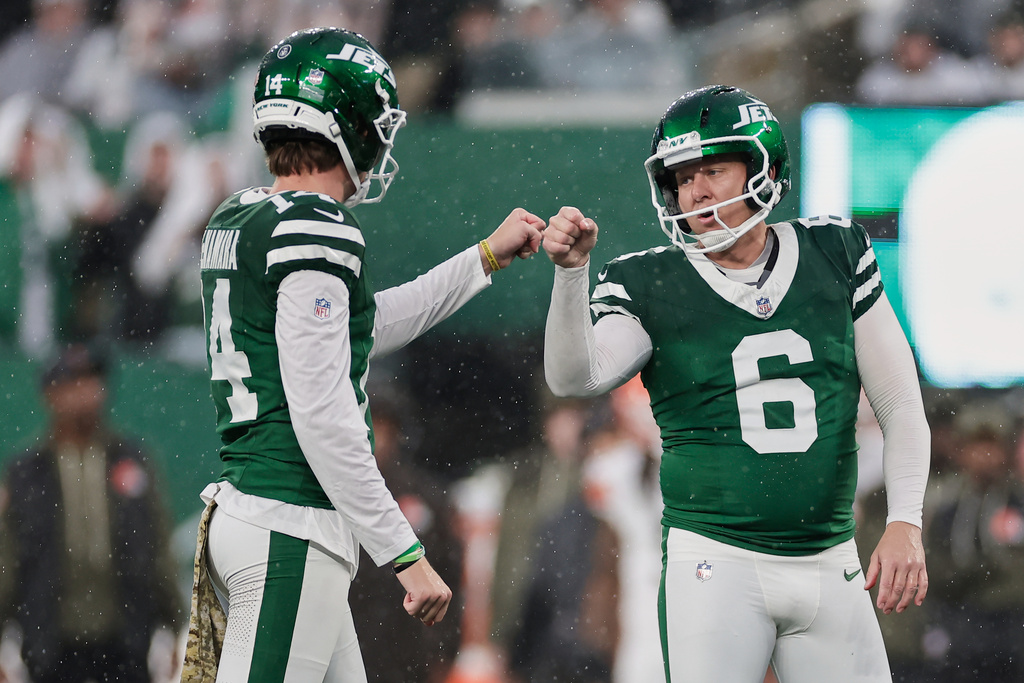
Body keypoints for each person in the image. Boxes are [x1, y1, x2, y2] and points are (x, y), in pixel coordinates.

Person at [181, 27, 545, 683]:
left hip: (256, 513)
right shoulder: (315, 226)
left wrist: (483, 257)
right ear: (347, 122)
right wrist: (406, 553)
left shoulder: (240, 215)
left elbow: (360, 325)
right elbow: (323, 416)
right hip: (291, 522)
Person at [541, 84, 931, 682]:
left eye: (713, 170)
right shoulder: (649, 281)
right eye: (681, 176)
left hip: (830, 556)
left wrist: (905, 520)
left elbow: (901, 402)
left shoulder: (835, 251)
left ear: (763, 167)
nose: (693, 191)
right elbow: (575, 377)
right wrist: (571, 277)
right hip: (715, 560)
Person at [0, 343, 181, 683]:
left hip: (125, 638)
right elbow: (7, 560)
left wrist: (175, 625)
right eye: (73, 382)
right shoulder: (27, 471)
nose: (85, 393)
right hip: (50, 641)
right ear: (50, 393)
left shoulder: (130, 459)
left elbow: (157, 546)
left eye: (92, 381)